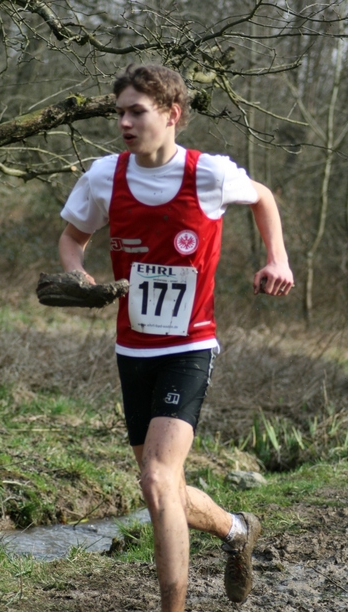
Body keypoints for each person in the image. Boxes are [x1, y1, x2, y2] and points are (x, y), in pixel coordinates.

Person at [58, 64, 294, 611]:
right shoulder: (104, 177)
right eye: (119, 112)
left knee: (159, 477)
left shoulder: (208, 173)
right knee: (159, 486)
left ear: (172, 114)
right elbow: (72, 239)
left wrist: (277, 258)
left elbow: (262, 196)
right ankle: (236, 529)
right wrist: (78, 277)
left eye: (136, 111)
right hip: (132, 347)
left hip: (189, 345)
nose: (124, 122)